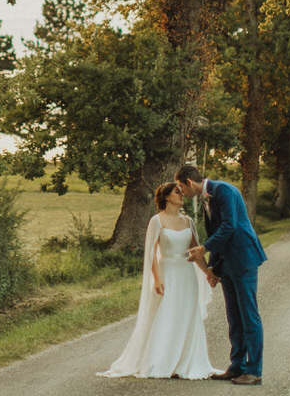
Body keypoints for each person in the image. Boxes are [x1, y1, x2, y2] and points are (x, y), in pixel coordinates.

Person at [97, 182, 223, 380]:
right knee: (167, 314)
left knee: (187, 315)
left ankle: (186, 361)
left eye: (182, 192)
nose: (181, 195)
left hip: (186, 275)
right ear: (166, 197)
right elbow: (152, 254)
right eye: (177, 192)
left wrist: (208, 272)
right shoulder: (157, 220)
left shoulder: (188, 221)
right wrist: (157, 279)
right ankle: (161, 361)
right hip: (168, 272)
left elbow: (196, 252)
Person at [177, 163, 267, 386]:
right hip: (226, 264)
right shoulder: (206, 200)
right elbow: (216, 234)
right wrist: (212, 268)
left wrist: (202, 249)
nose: (182, 193)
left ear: (189, 182)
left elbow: (229, 227)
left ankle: (254, 370)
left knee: (249, 316)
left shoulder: (224, 190)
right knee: (234, 318)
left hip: (244, 260)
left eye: (181, 187)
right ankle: (236, 367)